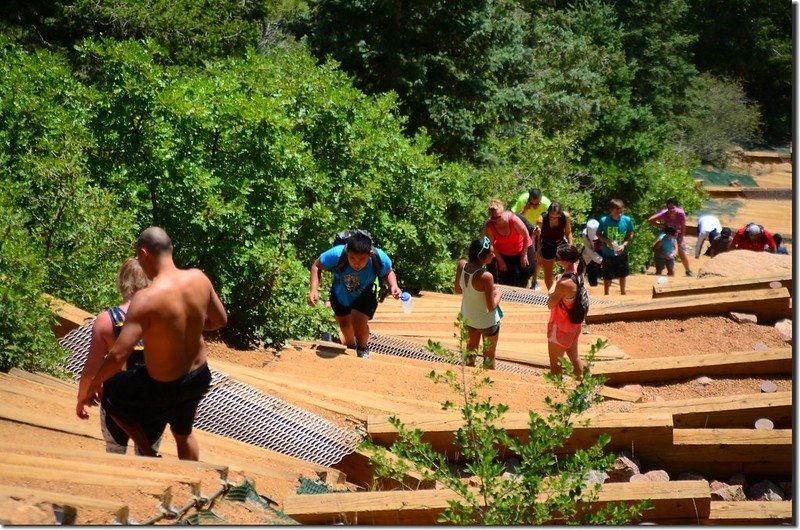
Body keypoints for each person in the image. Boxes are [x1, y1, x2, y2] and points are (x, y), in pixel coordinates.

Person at [76, 227, 228, 460]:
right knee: (183, 432)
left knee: (112, 392)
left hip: (164, 385)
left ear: (144, 254)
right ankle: (191, 482)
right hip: (198, 376)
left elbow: (118, 356)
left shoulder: (146, 299)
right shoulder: (199, 278)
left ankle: (147, 452)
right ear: (171, 249)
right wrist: (188, 327)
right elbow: (220, 320)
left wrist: (95, 384)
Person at [76, 258, 167, 455]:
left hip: (117, 401)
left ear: (122, 281)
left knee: (114, 454)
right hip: (154, 402)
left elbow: (90, 370)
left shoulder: (106, 321)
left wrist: (82, 398)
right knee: (147, 460)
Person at [308, 230, 401, 359]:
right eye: (352, 258)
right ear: (347, 253)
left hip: (366, 292)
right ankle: (351, 346)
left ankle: (363, 349)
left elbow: (388, 272)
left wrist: (394, 286)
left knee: (358, 322)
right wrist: (313, 289)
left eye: (362, 259)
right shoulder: (337, 253)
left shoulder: (379, 257)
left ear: (370, 254)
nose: (356, 263)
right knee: (345, 326)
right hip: (340, 294)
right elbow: (317, 266)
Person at [454, 236, 503, 369]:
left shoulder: (461, 265)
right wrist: (498, 293)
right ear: (481, 257)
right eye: (490, 253)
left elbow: (457, 290)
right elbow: (491, 306)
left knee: (470, 354)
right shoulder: (486, 276)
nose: (493, 255)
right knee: (489, 357)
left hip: (468, 319)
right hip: (487, 322)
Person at [546, 244, 583, 379]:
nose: (556, 260)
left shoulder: (564, 283)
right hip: (574, 325)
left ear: (566, 261)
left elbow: (550, 304)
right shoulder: (578, 273)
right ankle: (584, 387)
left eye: (558, 258)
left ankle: (557, 393)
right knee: (575, 358)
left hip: (561, 326)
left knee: (555, 364)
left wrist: (555, 284)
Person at [480, 199, 532, 288]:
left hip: (522, 246)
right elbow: (491, 245)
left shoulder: (513, 220)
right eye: (493, 218)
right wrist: (500, 261)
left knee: (528, 270)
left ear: (504, 212)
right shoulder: (490, 225)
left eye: (498, 217)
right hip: (504, 251)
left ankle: (526, 284)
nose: (496, 220)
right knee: (507, 278)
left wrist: (524, 254)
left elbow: (526, 236)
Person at [511, 188, 552, 289]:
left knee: (538, 257)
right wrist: (525, 210)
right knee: (521, 255)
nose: (535, 206)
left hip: (538, 230)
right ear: (529, 199)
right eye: (533, 204)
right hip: (522, 230)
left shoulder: (547, 204)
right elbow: (512, 217)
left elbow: (551, 220)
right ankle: (522, 279)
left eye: (537, 204)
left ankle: (534, 280)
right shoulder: (522, 200)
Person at [597, 198, 635, 295]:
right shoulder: (604, 220)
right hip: (608, 252)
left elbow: (631, 234)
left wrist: (624, 245)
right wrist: (607, 241)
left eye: (621, 212)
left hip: (622, 252)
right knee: (607, 274)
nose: (619, 215)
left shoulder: (627, 220)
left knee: (623, 273)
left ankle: (623, 292)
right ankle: (606, 294)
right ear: (611, 211)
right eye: (617, 212)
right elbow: (598, 234)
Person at [648, 198, 694, 277]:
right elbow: (650, 220)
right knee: (657, 246)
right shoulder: (664, 213)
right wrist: (661, 225)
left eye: (673, 208)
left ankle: (688, 270)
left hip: (677, 233)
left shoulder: (681, 214)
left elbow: (683, 227)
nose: (671, 210)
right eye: (669, 208)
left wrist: (681, 239)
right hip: (666, 232)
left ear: (677, 207)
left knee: (681, 251)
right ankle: (647, 264)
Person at [536, 201, 573, 291]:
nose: (553, 219)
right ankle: (551, 293)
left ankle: (570, 288)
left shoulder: (565, 216)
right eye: (551, 217)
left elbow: (568, 232)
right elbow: (537, 239)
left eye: (556, 217)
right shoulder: (541, 220)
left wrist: (570, 246)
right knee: (548, 273)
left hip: (560, 242)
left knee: (571, 264)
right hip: (547, 244)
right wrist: (538, 253)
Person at [577, 219, 603, 287]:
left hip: (603, 252)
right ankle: (579, 282)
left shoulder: (605, 231)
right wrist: (602, 261)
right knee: (592, 281)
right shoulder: (584, 234)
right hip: (590, 256)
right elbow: (589, 251)